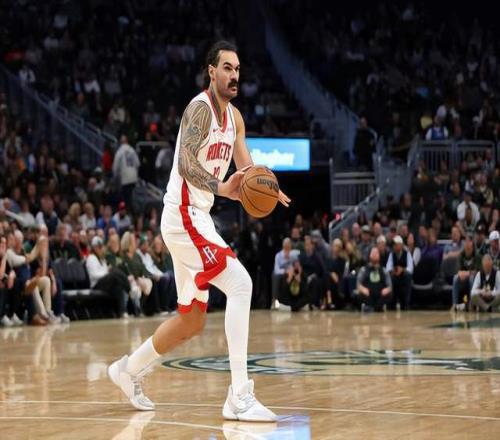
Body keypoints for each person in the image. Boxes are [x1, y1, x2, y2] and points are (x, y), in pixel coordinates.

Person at [108, 41, 289, 421]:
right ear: (211, 71)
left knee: (191, 320)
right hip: (183, 215)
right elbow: (186, 163)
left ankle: (127, 370)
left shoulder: (235, 119)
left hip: (197, 216)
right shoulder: (200, 110)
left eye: (237, 69)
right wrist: (222, 187)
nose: (234, 75)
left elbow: (246, 170)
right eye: (227, 68)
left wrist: (265, 186)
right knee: (240, 284)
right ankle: (239, 395)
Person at [356, 247, 392, 312]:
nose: (375, 255)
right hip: (368, 295)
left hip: (380, 295)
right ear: (369, 255)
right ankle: (371, 307)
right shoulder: (364, 269)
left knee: (389, 295)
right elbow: (358, 284)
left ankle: (374, 308)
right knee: (359, 295)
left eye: (376, 253)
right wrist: (362, 289)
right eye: (373, 253)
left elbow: (390, 286)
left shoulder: (384, 270)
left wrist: (387, 289)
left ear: (379, 256)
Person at [452, 236, 481, 311]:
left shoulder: (477, 255)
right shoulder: (461, 255)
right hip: (463, 280)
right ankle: (454, 304)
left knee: (471, 278)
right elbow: (458, 271)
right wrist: (464, 273)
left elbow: (477, 272)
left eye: (469, 241)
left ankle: (472, 304)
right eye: (466, 242)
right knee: (455, 278)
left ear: (472, 244)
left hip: (474, 281)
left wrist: (467, 273)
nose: (467, 244)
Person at [112, 135, 140, 210]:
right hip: (133, 178)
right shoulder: (132, 150)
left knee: (126, 199)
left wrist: (115, 178)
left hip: (125, 179)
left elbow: (115, 167)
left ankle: (128, 211)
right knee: (131, 197)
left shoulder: (120, 151)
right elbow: (138, 164)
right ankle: (131, 211)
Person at [386, 235, 413, 309]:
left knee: (408, 276)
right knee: (390, 278)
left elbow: (410, 268)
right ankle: (392, 304)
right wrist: (393, 271)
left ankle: (406, 304)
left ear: (401, 245)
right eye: (394, 245)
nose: (394, 246)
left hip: (404, 277)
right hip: (395, 276)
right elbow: (388, 268)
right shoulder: (391, 254)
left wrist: (402, 269)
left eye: (396, 244)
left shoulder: (407, 253)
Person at [271, 237, 300, 309]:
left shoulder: (294, 254)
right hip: (281, 273)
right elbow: (276, 270)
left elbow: (297, 264)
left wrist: (295, 271)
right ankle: (275, 300)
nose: (287, 248)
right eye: (286, 247)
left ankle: (294, 302)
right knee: (275, 276)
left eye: (288, 247)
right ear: (283, 247)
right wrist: (285, 271)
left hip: (291, 273)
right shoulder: (278, 255)